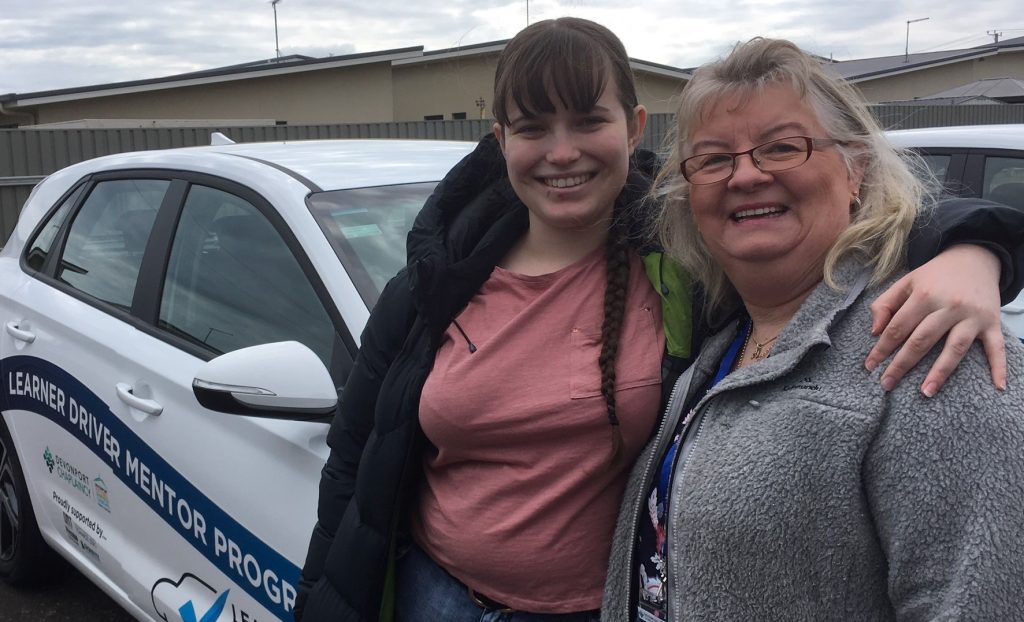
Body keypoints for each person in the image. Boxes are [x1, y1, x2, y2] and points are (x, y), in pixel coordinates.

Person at [295, 19, 1024, 622]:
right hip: (435, 595)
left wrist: (975, 249)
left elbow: (827, 223)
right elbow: (356, 465)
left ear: (634, 125)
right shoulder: (435, 281)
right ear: (499, 141)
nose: (562, 151)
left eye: (588, 120)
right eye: (532, 127)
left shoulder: (681, 268)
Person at [604, 37, 1024, 621]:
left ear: (856, 169)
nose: (745, 176)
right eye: (714, 159)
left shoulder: (934, 350)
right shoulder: (721, 339)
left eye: (781, 148)